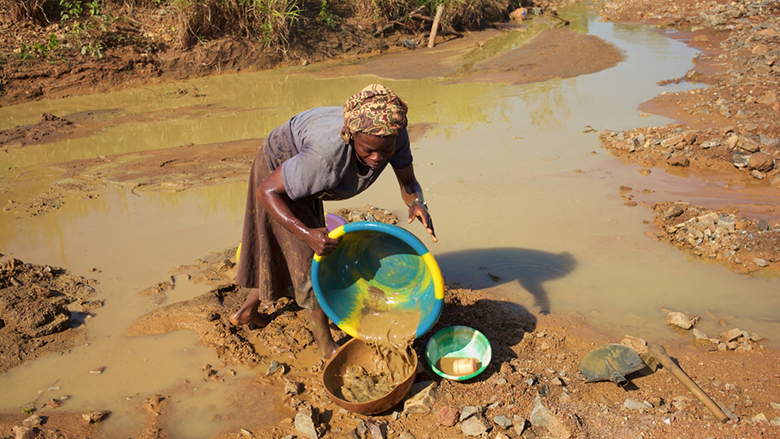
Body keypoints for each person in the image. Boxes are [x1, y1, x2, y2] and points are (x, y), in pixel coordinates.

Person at [230, 84, 437, 360]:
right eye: (368, 151)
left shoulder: (392, 134)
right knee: (309, 261)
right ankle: (327, 349)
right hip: (277, 170)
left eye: (384, 152)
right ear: (350, 136)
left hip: (304, 175)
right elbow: (266, 192)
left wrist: (416, 202)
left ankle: (246, 312)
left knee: (284, 249)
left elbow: (408, 180)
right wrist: (306, 233)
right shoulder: (325, 158)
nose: (377, 159)